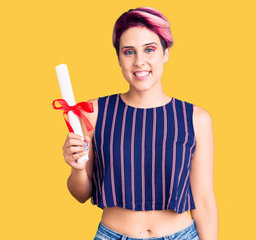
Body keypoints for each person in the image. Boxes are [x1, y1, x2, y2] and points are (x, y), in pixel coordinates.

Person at [62, 7, 218, 240]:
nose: (139, 61)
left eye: (149, 50)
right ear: (118, 58)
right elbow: (81, 194)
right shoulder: (93, 113)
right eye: (129, 52)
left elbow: (204, 200)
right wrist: (76, 168)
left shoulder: (197, 119)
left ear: (165, 54)